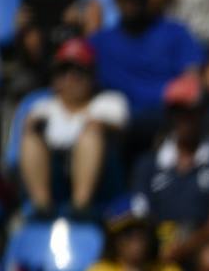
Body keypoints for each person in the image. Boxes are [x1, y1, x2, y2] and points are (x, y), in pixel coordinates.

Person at [130, 75, 209, 271]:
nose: (184, 119)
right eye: (177, 112)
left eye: (190, 112)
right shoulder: (149, 164)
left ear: (202, 114)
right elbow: (140, 212)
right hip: (158, 239)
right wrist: (156, 245)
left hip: (201, 240)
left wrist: (186, 246)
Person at [89, 0, 204, 148]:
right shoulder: (100, 42)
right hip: (118, 122)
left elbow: (192, 78)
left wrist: (181, 91)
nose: (132, 0)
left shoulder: (175, 32)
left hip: (167, 115)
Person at [19, 38, 128, 219]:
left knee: (91, 136)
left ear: (92, 76)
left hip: (101, 187)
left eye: (78, 71)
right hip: (56, 182)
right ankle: (42, 208)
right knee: (31, 138)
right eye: (63, 71)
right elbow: (31, 126)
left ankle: (80, 208)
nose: (70, 77)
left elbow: (118, 125)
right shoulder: (42, 107)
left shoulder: (109, 102)